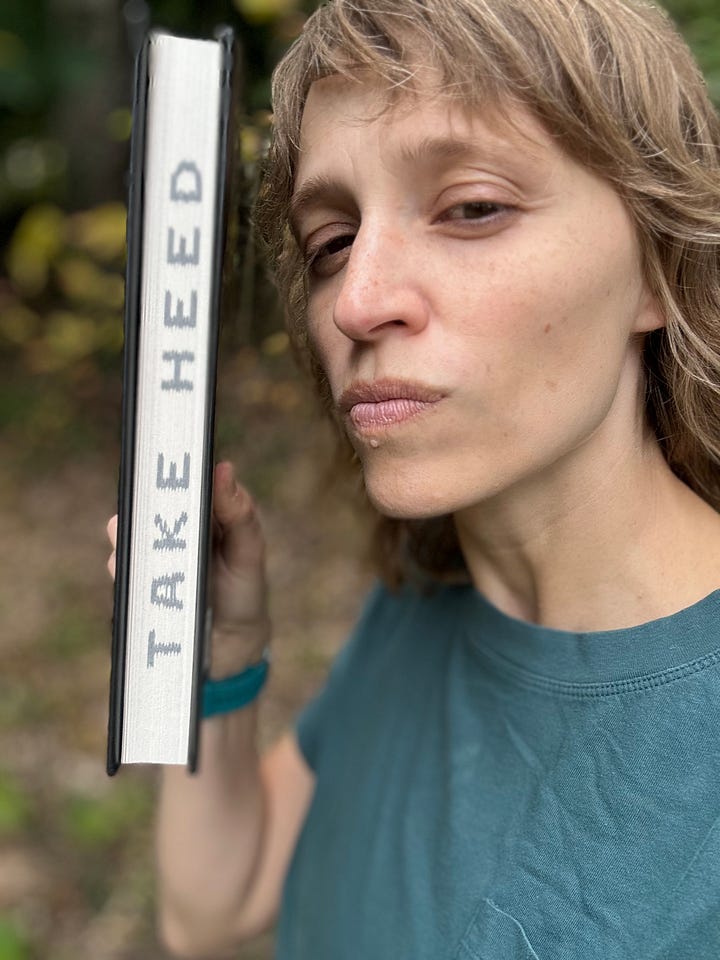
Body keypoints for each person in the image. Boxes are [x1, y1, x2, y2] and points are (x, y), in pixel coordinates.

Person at [107, 0, 720, 956]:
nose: (356, 303)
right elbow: (215, 908)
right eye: (331, 242)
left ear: (657, 259)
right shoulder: (421, 602)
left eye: (470, 207)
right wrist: (221, 659)